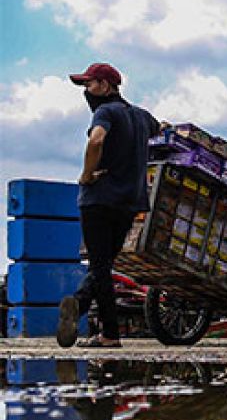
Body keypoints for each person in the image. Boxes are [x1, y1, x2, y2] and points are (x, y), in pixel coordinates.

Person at [58, 63, 162, 349]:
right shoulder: (142, 116)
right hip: (130, 202)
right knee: (103, 263)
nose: (86, 92)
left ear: (105, 86)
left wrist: (87, 174)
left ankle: (110, 334)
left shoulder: (105, 112)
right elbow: (161, 127)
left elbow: (97, 140)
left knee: (100, 266)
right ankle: (78, 304)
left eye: (89, 85)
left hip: (99, 199)